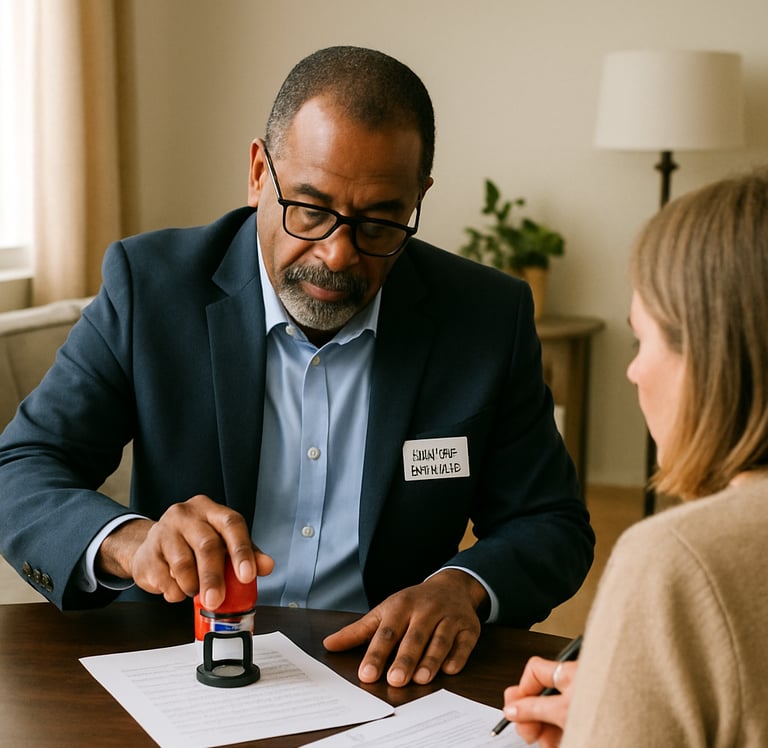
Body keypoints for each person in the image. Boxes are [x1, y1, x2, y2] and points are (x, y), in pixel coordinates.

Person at [0, 46, 594, 688]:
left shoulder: (485, 318)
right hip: (183, 666)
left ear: (416, 200)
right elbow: (21, 469)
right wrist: (131, 542)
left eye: (379, 222)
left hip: (387, 679)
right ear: (260, 173)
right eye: (310, 209)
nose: (337, 255)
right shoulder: (151, 288)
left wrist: (463, 586)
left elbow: (551, 522)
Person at [502, 168, 768, 746]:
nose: (632, 371)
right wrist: (624, 710)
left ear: (711, 357)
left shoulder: (677, 558)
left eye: (640, 340)